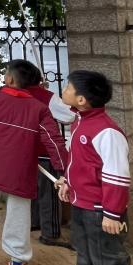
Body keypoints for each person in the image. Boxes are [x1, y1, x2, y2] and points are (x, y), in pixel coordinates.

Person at [0, 59, 67, 265]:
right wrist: (63, 171)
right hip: (20, 171)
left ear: (10, 79)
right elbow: (54, 141)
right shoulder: (39, 109)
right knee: (19, 215)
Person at [56, 70, 133, 265]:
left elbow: (116, 175)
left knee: (110, 264)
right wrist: (67, 182)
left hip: (102, 211)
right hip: (82, 204)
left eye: (67, 87)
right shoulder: (80, 122)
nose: (63, 90)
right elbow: (78, 163)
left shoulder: (107, 132)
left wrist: (113, 214)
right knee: (86, 252)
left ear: (81, 99)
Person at [27, 80, 79, 248]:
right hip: (46, 153)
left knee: (32, 191)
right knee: (48, 194)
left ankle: (34, 222)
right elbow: (69, 116)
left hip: (24, 152)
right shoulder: (45, 97)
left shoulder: (10, 94)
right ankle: (50, 233)